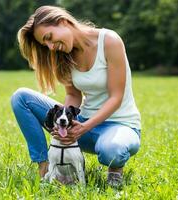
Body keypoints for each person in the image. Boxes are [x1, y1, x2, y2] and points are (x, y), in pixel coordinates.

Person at [11, 5, 141, 187]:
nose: (50, 47)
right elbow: (73, 95)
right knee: (21, 97)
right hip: (82, 124)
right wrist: (64, 123)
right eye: (45, 44)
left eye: (49, 37)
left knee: (112, 150)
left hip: (120, 125)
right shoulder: (62, 55)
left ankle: (115, 171)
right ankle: (46, 167)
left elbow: (116, 97)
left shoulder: (109, 41)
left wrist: (84, 127)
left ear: (63, 22)